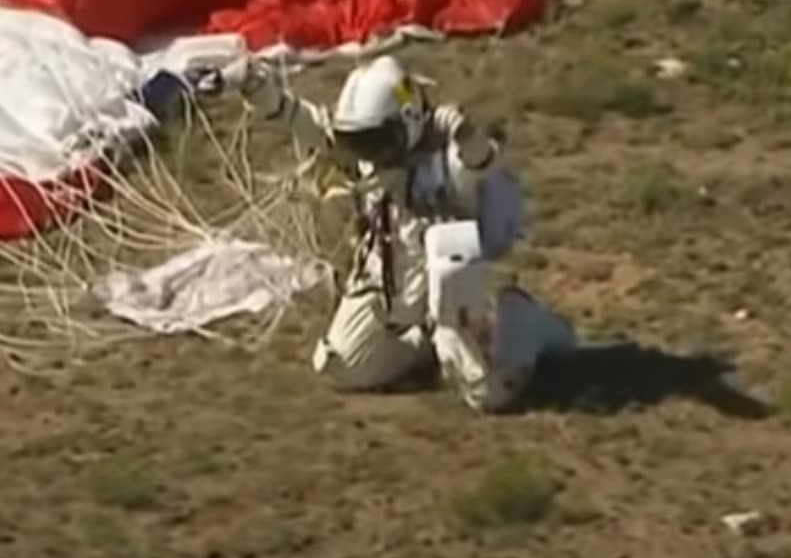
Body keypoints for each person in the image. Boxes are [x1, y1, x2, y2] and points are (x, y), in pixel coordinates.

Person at [229, 53, 576, 412]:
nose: (367, 154)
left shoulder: (447, 159)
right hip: (386, 285)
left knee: (487, 392)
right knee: (342, 366)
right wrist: (256, 88)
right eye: (360, 143)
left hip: (456, 292)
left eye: (375, 142)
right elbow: (304, 120)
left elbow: (483, 162)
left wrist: (464, 132)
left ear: (406, 123)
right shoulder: (368, 148)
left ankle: (522, 321)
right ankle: (426, 348)